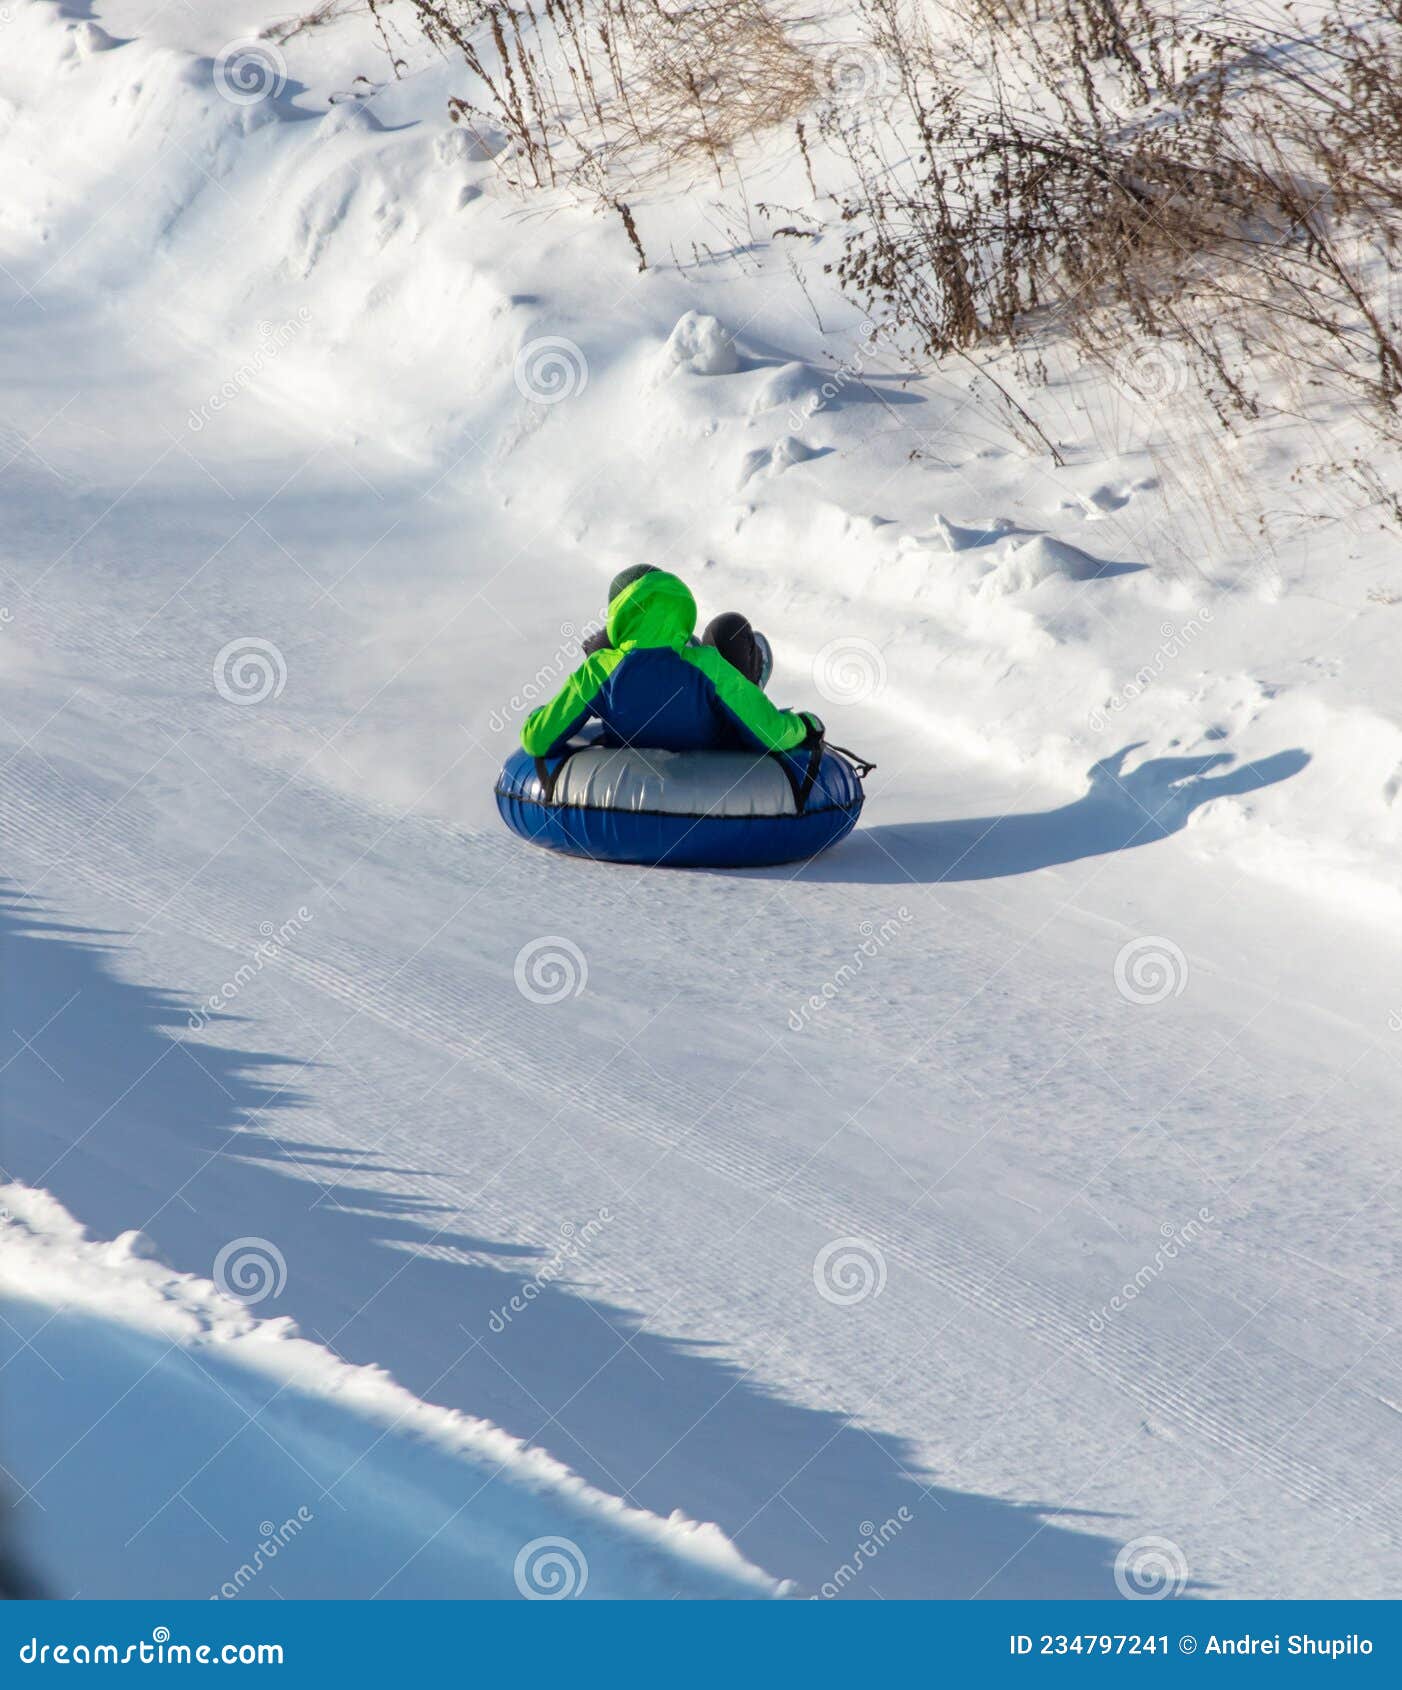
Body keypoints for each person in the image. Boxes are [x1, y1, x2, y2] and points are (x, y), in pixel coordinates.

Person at [520, 565, 822, 759]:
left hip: (626, 763)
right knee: (727, 634)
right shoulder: (707, 665)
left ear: (618, 613)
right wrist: (805, 725)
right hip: (713, 752)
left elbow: (537, 739)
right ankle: (751, 682)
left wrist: (544, 714)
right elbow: (772, 734)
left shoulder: (599, 668)